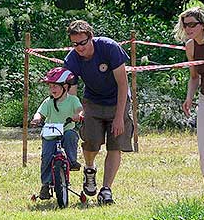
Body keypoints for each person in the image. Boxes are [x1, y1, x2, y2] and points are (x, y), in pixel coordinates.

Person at [63, 20, 133, 205]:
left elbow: (123, 84)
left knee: (115, 145)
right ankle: (89, 169)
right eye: (75, 44)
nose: (79, 48)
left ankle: (106, 189)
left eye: (82, 43)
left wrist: (119, 117)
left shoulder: (110, 48)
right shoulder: (71, 59)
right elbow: (72, 92)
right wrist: (76, 112)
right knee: (91, 142)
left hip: (118, 100)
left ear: (91, 37)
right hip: (92, 102)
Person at [174, 6, 204, 203]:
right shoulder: (190, 47)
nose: (188, 28)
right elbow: (193, 76)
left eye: (192, 24)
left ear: (203, 24)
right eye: (185, 24)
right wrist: (189, 97)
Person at [31, 67, 83, 200]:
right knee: (46, 157)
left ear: (65, 86)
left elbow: (80, 110)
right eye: (50, 86)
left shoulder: (72, 100)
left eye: (55, 86)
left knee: (71, 135)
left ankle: (71, 161)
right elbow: (39, 112)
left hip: (65, 130)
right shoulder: (48, 102)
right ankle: (45, 185)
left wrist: (79, 115)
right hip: (50, 133)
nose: (52, 89)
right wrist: (37, 118)